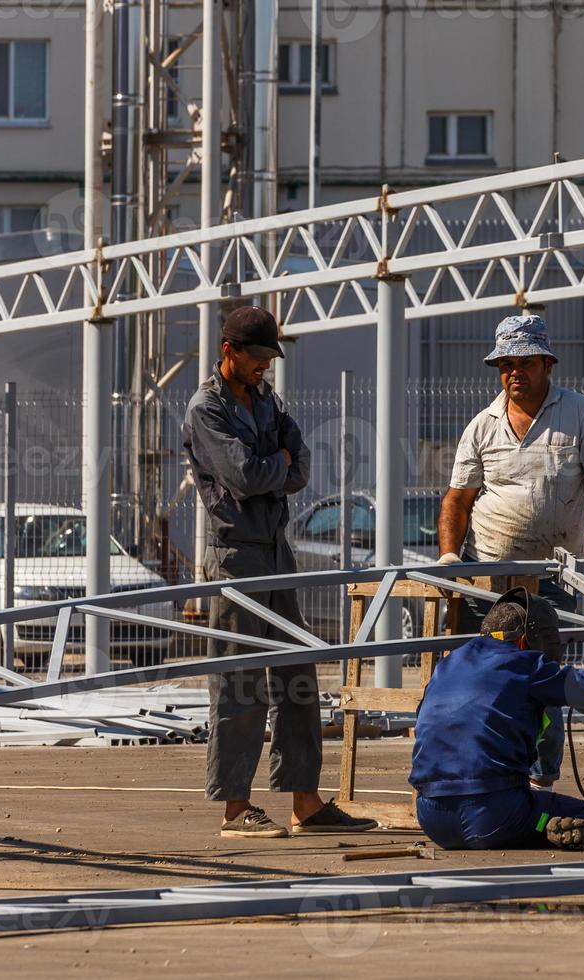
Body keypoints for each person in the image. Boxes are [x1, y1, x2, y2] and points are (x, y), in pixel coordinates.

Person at [435, 313, 584, 789]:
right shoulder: (483, 425)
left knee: (543, 678)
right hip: (488, 575)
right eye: (504, 364)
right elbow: (457, 498)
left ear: (547, 363)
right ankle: (480, 770)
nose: (513, 372)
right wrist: (449, 558)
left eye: (523, 362)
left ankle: (540, 779)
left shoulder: (579, 414)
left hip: (549, 575)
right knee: (478, 676)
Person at [182, 305, 375, 839]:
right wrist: (281, 464)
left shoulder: (266, 400)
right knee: (240, 683)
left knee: (298, 674)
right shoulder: (207, 408)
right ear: (229, 352)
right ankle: (235, 810)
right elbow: (244, 476)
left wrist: (282, 466)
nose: (265, 366)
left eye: (270, 357)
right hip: (236, 554)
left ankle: (305, 804)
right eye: (257, 356)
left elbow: (301, 466)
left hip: (274, 548)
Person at [409, 587, 584, 852]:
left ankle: (540, 824)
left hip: (432, 819)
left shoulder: (448, 665)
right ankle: (548, 825)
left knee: (527, 807)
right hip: (495, 816)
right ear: (524, 641)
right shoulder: (526, 665)